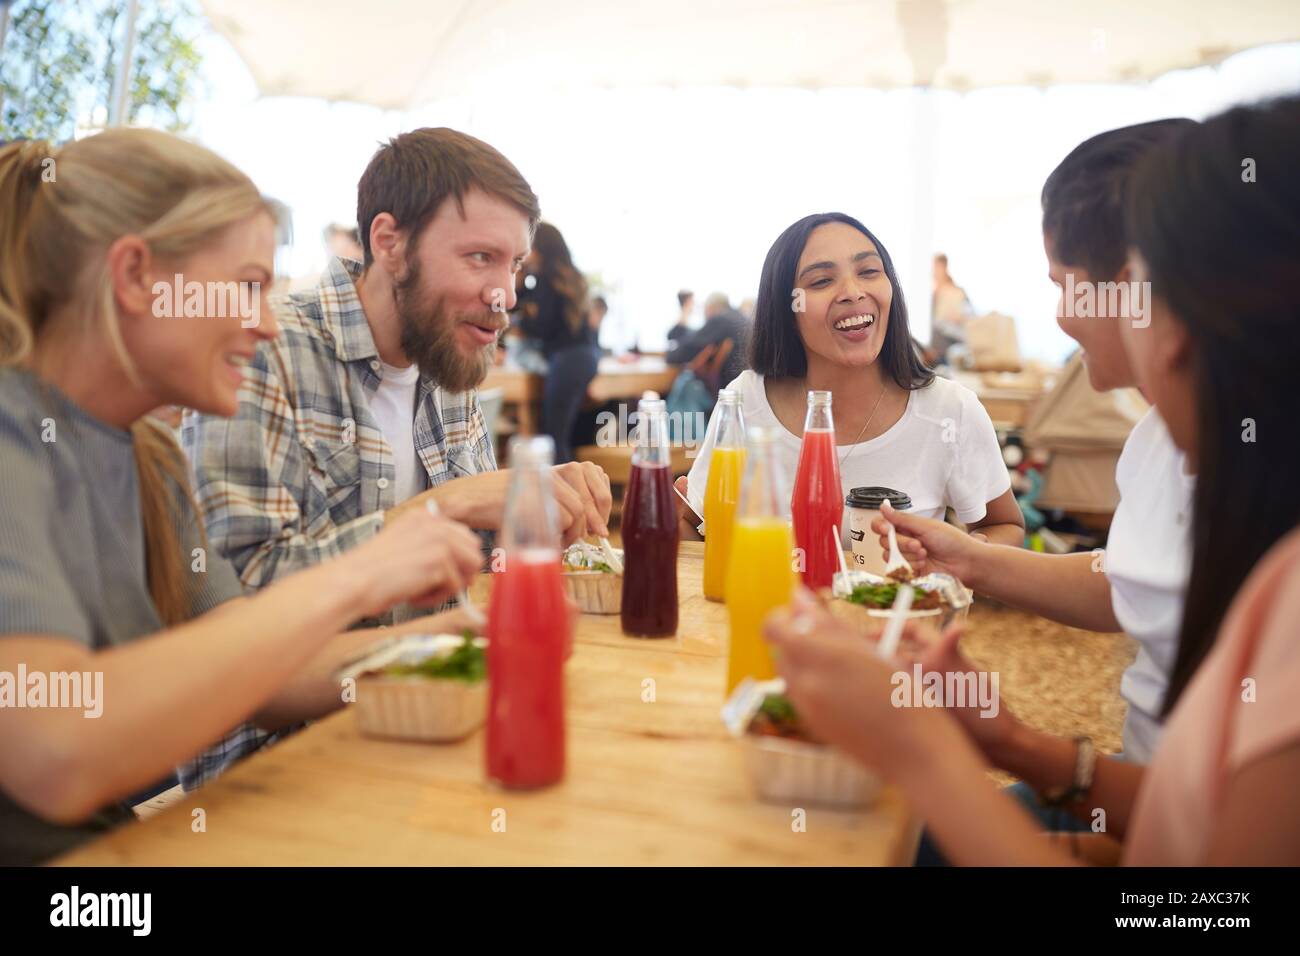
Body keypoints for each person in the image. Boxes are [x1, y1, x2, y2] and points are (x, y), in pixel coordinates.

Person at [765, 95, 1300, 865]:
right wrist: (1011, 740)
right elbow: (1194, 822)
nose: (1070, 314)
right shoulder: (1195, 465)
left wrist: (922, 752)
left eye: (1135, 280)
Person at [0, 130, 485, 865]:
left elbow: (262, 679)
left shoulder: (149, 459)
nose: (265, 321)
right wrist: (362, 569)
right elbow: (56, 750)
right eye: (250, 284)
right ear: (135, 276)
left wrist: (462, 639)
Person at [870, 122, 1196, 859]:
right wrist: (968, 558)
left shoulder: (1262, 507)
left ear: (1137, 287)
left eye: (1061, 284)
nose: (1060, 316)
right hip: (1135, 801)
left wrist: (974, 748)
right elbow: (1135, 582)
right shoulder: (1158, 439)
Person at [185, 128, 613, 601]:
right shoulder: (264, 351)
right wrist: (440, 509)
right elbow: (233, 598)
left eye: (513, 264)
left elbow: (482, 560)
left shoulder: (446, 349)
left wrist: (533, 512)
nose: (505, 295)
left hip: (439, 664)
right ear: (389, 243)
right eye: (479, 257)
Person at [679, 214, 1024, 547]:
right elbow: (691, 524)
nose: (853, 291)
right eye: (821, 281)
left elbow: (1004, 525)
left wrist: (958, 557)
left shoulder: (950, 410)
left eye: (869, 271)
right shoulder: (745, 402)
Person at [513, 222, 600, 463]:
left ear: (540, 247)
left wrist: (521, 324)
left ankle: (562, 497)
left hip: (567, 360)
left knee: (553, 435)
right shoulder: (571, 276)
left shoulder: (545, 278)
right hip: (587, 356)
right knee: (566, 434)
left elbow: (542, 326)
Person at [665, 291, 750, 394]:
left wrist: (670, 355)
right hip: (744, 385)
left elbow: (683, 352)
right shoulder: (740, 318)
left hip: (727, 390)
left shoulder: (720, 320)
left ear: (710, 308)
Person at [928, 253, 972, 363]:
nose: (934, 271)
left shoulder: (957, 292)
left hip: (952, 347)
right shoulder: (935, 294)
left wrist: (957, 317)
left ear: (944, 267)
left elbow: (969, 315)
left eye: (936, 267)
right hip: (937, 348)